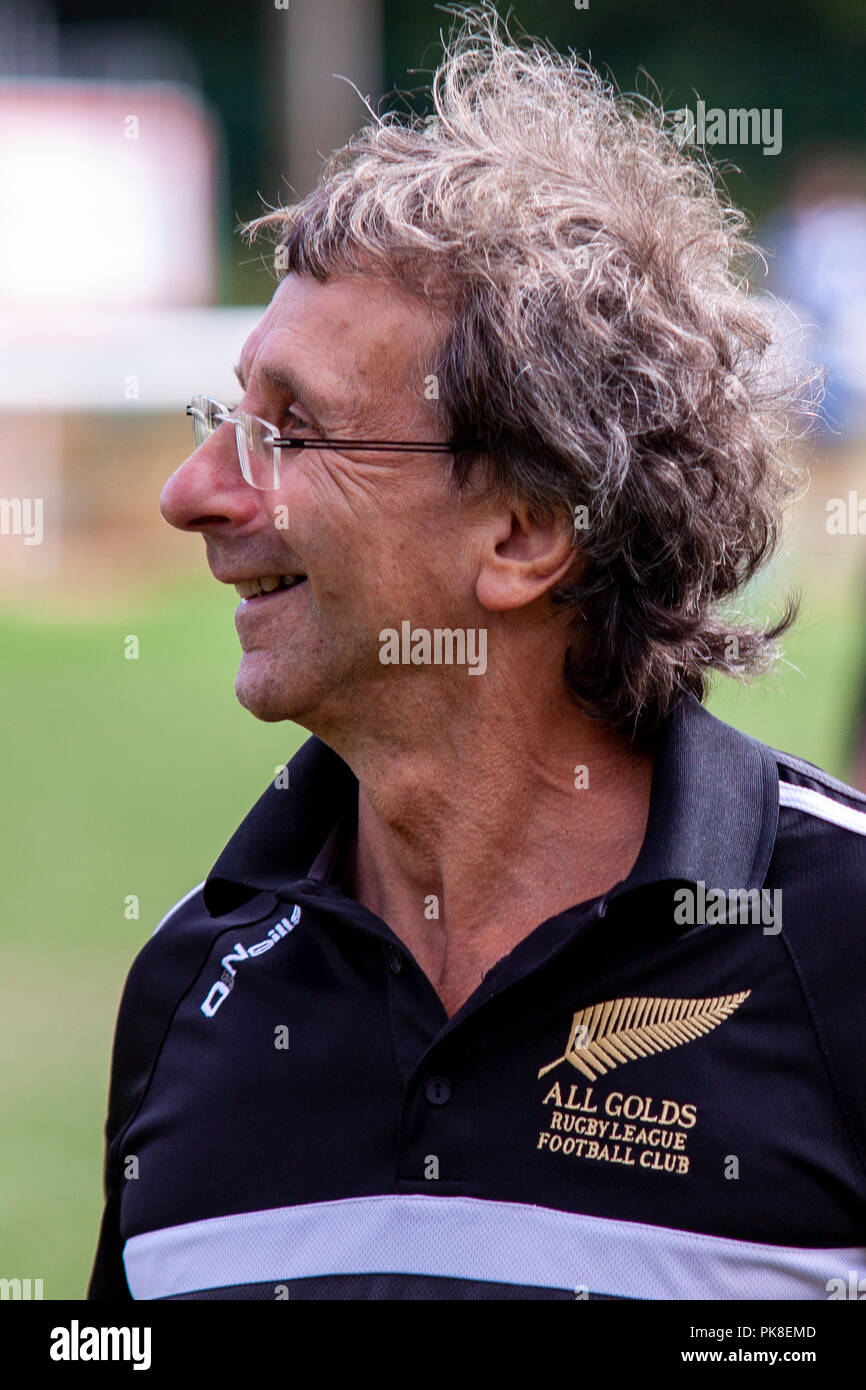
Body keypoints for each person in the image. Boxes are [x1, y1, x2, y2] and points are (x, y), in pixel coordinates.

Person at [88, 10, 866, 1300]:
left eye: (295, 432)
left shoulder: (839, 946)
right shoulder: (190, 985)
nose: (192, 494)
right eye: (227, 418)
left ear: (523, 532)